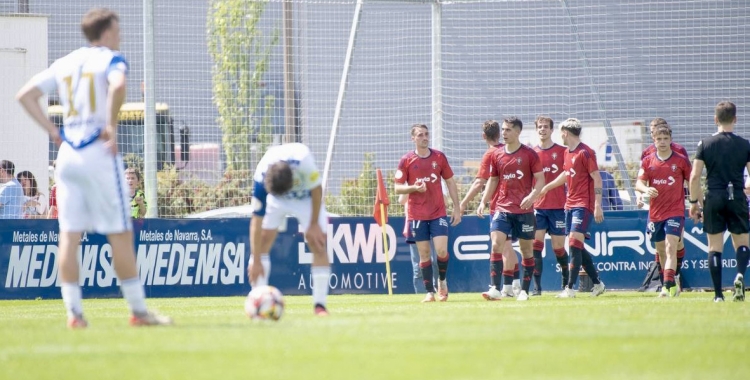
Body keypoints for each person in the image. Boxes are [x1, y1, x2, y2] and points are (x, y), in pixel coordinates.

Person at [16, 8, 172, 328]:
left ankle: (74, 314)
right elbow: (117, 86)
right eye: (118, 29)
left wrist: (54, 132)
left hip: (68, 156)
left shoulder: (66, 62)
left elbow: (26, 96)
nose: (121, 35)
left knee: (69, 238)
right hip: (98, 152)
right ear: (107, 32)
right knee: (120, 233)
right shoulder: (111, 58)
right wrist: (111, 126)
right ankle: (139, 312)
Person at [247, 143, 331, 315]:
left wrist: (313, 224)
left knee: (318, 243)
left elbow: (316, 190)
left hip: (305, 199)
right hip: (275, 201)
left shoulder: (304, 161)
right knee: (263, 240)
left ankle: (320, 306)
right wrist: (255, 260)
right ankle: (261, 301)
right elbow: (256, 221)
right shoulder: (261, 177)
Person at [477, 117, 545, 301]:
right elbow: (493, 179)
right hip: (502, 208)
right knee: (496, 243)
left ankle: (523, 290)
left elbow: (540, 179)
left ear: (518, 132)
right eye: (504, 129)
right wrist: (483, 201)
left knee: (526, 250)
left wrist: (532, 197)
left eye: (508, 130)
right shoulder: (496, 154)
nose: (504, 133)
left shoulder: (530, 154)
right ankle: (495, 289)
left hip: (524, 211)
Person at [688, 101, 750, 302]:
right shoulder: (744, 144)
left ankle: (718, 295)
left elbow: (695, 177)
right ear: (735, 119)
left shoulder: (705, 144)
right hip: (737, 196)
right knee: (741, 243)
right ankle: (740, 275)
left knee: (714, 247)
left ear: (715, 119)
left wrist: (694, 202)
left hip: (714, 196)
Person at [539, 118, 606, 298]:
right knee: (577, 246)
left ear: (565, 133)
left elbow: (597, 179)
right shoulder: (568, 152)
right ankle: (598, 283)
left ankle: (569, 288)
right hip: (569, 205)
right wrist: (547, 187)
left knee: (574, 244)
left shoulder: (586, 152)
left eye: (561, 132)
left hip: (583, 205)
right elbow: (566, 173)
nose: (560, 135)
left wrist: (598, 205)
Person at [395, 123, 462, 303]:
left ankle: (442, 281)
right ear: (413, 138)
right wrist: (413, 188)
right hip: (417, 215)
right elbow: (397, 188)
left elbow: (450, 182)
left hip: (438, 212)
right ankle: (429, 292)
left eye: (426, 134)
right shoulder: (406, 160)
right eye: (420, 135)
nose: (424, 137)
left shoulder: (439, 157)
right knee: (424, 255)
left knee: (441, 251)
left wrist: (457, 207)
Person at [459, 120, 520, 300]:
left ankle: (507, 288)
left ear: (483, 136)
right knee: (508, 247)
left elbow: (479, 182)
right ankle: (514, 284)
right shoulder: (506, 150)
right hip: (514, 206)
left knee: (502, 248)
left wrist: (463, 203)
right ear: (499, 134)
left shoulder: (491, 154)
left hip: (500, 207)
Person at [636, 125, 691, 297]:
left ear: (670, 140)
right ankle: (669, 282)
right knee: (660, 250)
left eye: (665, 138)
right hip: (655, 213)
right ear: (654, 140)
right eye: (659, 139)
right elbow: (638, 183)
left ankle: (668, 286)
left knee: (670, 246)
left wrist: (697, 203)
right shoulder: (648, 161)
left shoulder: (681, 160)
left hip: (675, 210)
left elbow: (692, 182)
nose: (662, 142)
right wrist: (645, 191)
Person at [531, 116, 569, 296]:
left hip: (558, 207)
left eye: (546, 127)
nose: (542, 129)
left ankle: (566, 284)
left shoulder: (562, 151)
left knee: (558, 248)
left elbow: (568, 174)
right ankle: (537, 288)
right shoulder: (531, 153)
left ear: (552, 130)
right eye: (539, 127)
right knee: (535, 245)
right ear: (536, 129)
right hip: (538, 207)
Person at [399, 193, 438, 294]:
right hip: (415, 224)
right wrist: (411, 187)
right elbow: (402, 200)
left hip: (433, 223)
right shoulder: (409, 181)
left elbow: (445, 201)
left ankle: (436, 290)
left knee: (434, 262)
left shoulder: (437, 178)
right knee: (418, 267)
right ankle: (422, 293)